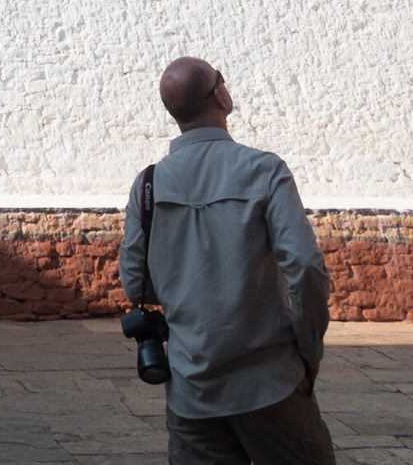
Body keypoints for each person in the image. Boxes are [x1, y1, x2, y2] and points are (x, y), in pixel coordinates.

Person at [120, 58, 336, 465]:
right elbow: (305, 267)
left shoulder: (147, 185)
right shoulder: (264, 170)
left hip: (191, 391)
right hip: (270, 383)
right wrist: (308, 350)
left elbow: (136, 285)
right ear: (220, 94)